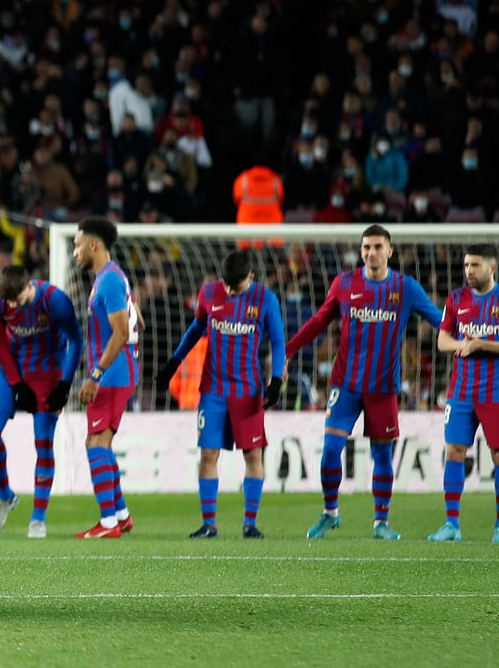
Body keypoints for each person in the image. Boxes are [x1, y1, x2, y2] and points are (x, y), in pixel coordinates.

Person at [286, 225, 442, 540]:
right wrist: (287, 351)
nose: (372, 253)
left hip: (383, 387)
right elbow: (318, 321)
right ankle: (331, 513)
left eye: (377, 247)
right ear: (360, 251)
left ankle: (380, 523)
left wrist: (472, 336)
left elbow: (440, 320)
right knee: (331, 449)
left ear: (390, 251)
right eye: (366, 247)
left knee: (382, 456)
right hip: (345, 384)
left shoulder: (405, 287)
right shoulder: (344, 283)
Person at [156, 251, 285, 539]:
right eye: (226, 285)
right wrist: (174, 363)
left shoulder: (265, 299)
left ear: (251, 277)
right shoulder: (208, 293)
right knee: (208, 454)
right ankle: (209, 524)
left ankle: (250, 524)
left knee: (253, 453)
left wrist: (276, 380)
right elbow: (196, 328)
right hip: (213, 390)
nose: (229, 291)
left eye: (235, 287)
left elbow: (278, 341)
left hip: (247, 391)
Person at [0, 265, 82, 538]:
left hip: (49, 370)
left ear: (29, 287)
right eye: (9, 301)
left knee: (43, 442)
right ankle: (5, 496)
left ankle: (38, 519)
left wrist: (65, 384)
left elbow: (76, 340)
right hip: (12, 368)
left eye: (17, 299)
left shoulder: (54, 300)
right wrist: (16, 383)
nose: (13, 305)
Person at [72, 216, 140, 539]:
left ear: (93, 244)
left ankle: (109, 523)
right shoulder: (112, 277)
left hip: (112, 374)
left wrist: (95, 375)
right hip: (117, 370)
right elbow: (136, 319)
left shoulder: (109, 281)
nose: (75, 252)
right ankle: (121, 515)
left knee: (98, 442)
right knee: (96, 441)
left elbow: (122, 332)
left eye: (77, 245)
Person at [429, 244, 499, 543]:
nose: (469, 271)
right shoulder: (457, 298)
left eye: (475, 265)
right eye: (467, 265)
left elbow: (480, 343)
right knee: (455, 450)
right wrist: (463, 345)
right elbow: (442, 340)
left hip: (495, 391)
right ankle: (451, 525)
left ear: (492, 268)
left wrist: (481, 344)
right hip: (461, 391)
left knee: (498, 455)